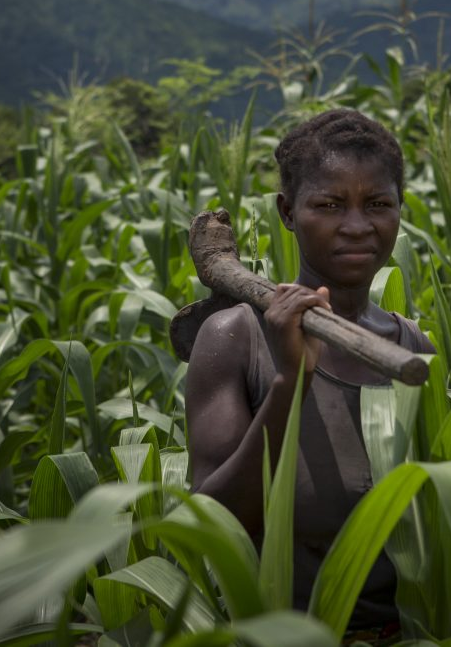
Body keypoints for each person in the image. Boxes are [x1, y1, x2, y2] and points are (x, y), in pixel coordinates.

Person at [185, 108, 435, 634]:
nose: (357, 226)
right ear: (288, 212)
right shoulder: (237, 338)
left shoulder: (413, 350)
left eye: (378, 204)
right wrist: (290, 384)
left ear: (399, 211)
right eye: (329, 204)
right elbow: (213, 526)